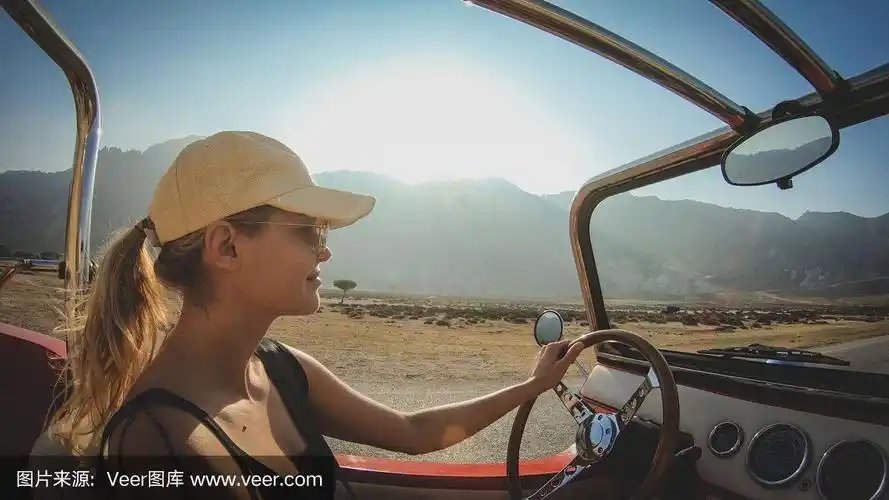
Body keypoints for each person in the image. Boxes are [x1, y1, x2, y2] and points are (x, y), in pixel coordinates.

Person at [43, 131, 584, 499]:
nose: (324, 251)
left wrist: (533, 386)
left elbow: (413, 430)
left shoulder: (282, 367)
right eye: (309, 230)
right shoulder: (160, 439)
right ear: (227, 246)